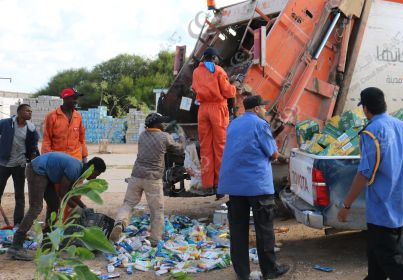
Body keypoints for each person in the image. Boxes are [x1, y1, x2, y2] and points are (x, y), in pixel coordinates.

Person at [338, 87, 403, 280]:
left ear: (366, 108)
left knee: (389, 260)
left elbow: (363, 174)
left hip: (381, 211)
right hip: (399, 206)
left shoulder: (371, 133)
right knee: (376, 262)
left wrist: (346, 205)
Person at [218, 95, 290, 280]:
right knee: (264, 229)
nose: (265, 111)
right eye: (264, 108)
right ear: (257, 109)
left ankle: (242, 273)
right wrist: (283, 158)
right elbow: (273, 153)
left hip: (234, 185)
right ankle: (270, 270)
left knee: (238, 230)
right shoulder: (261, 124)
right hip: (256, 185)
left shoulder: (233, 124)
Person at [7, 153, 106, 261]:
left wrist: (84, 207)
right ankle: (16, 245)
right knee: (36, 207)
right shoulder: (75, 168)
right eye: (97, 174)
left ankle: (47, 240)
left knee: (54, 204)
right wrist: (77, 208)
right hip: (36, 171)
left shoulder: (79, 170)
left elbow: (70, 192)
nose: (95, 178)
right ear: (92, 168)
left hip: (45, 174)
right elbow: (62, 192)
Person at [109, 113, 184, 245]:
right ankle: (155, 239)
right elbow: (179, 150)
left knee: (128, 204)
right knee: (156, 209)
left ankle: (120, 223)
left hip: (136, 176)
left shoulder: (142, 136)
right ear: (156, 125)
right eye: (162, 123)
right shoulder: (164, 137)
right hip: (153, 179)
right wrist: (182, 139)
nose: (164, 125)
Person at [192, 47, 237, 195]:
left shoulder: (196, 71)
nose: (219, 60)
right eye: (217, 58)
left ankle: (208, 183)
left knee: (205, 145)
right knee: (220, 146)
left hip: (203, 110)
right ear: (214, 58)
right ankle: (220, 183)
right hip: (217, 109)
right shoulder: (218, 70)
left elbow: (194, 88)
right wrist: (235, 88)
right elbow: (226, 91)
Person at [0, 104, 39, 226]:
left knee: (20, 196)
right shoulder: (6, 123)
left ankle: (18, 224)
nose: (30, 113)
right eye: (27, 110)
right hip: (3, 164)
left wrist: (32, 163)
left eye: (31, 111)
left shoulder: (31, 129)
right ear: (19, 112)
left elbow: (33, 148)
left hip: (20, 165)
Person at [42, 88, 88, 162]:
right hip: (57, 159)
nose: (76, 101)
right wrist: (46, 159)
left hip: (75, 158)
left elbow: (81, 138)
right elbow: (47, 140)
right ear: (65, 98)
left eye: (77, 99)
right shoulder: (52, 116)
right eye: (74, 98)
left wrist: (84, 156)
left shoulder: (78, 116)